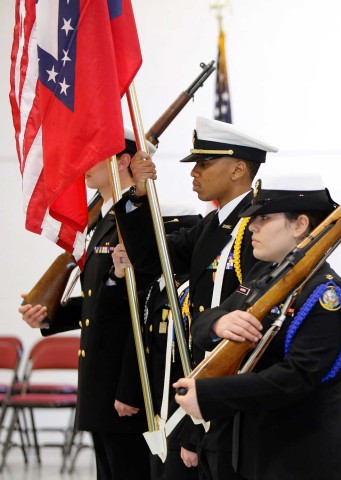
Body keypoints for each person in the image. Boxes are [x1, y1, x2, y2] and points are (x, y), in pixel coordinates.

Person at [114, 117, 275, 479]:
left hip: (230, 393)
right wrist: (139, 195)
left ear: (237, 169)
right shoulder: (214, 224)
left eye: (204, 164)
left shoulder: (257, 226)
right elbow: (152, 259)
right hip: (205, 386)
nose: (194, 173)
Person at [173, 175, 341, 480]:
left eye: (264, 218)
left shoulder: (326, 294)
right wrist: (220, 323)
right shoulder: (265, 275)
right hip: (261, 453)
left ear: (299, 225)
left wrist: (211, 395)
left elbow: (298, 377)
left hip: (306, 459)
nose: (252, 227)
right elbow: (204, 320)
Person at [18, 129, 155, 480]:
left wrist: (130, 387)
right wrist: (51, 316)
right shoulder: (105, 221)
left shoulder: (138, 217)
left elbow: (141, 307)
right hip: (99, 380)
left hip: (122, 383)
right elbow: (100, 301)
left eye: (94, 156)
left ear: (123, 161)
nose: (84, 166)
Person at [109, 208, 201, 480]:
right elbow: (140, 344)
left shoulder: (186, 291)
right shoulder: (155, 287)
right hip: (159, 415)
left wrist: (190, 430)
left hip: (180, 414)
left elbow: (192, 362)